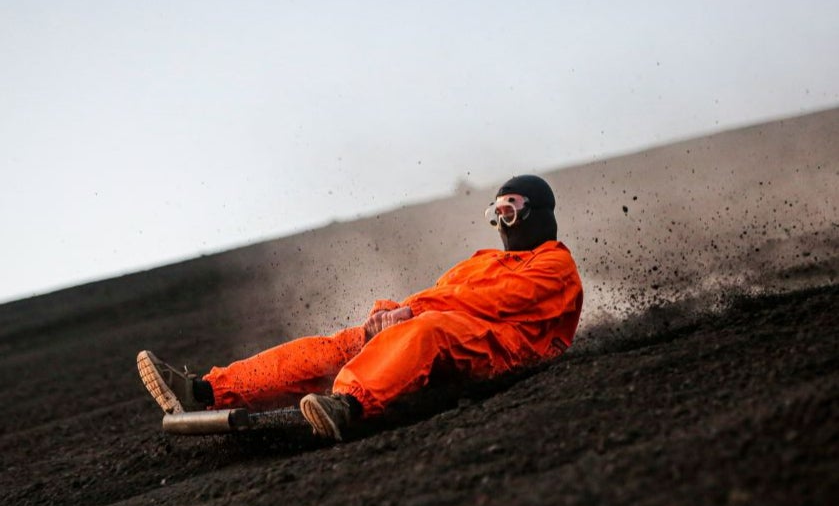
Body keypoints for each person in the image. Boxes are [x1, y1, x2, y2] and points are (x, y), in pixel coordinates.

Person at [137, 174, 584, 441]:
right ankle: (206, 391)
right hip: (453, 332)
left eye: (511, 210)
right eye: (496, 212)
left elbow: (496, 303)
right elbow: (443, 294)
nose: (501, 223)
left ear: (537, 213)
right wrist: (385, 316)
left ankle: (346, 405)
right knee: (346, 342)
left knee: (430, 329)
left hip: (509, 349)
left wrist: (409, 313)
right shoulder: (483, 261)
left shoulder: (556, 264)